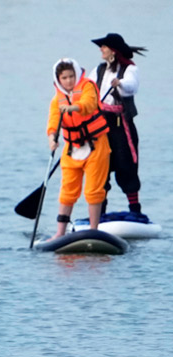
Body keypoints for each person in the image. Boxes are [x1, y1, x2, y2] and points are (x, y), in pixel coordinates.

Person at [46, 59, 110, 238]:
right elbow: (53, 122)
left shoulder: (87, 87)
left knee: (93, 191)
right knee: (67, 190)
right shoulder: (56, 100)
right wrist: (52, 139)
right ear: (58, 79)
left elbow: (89, 104)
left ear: (76, 74)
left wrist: (73, 107)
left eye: (71, 76)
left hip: (96, 145)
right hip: (72, 149)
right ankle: (60, 232)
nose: (68, 81)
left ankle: (94, 230)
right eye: (64, 78)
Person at [90, 33, 147, 214]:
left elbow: (131, 86)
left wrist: (119, 83)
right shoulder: (99, 70)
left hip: (120, 124)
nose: (101, 49)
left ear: (113, 51)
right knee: (101, 166)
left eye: (104, 47)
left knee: (126, 165)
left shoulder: (129, 70)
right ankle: (100, 212)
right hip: (100, 124)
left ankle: (135, 210)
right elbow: (87, 88)